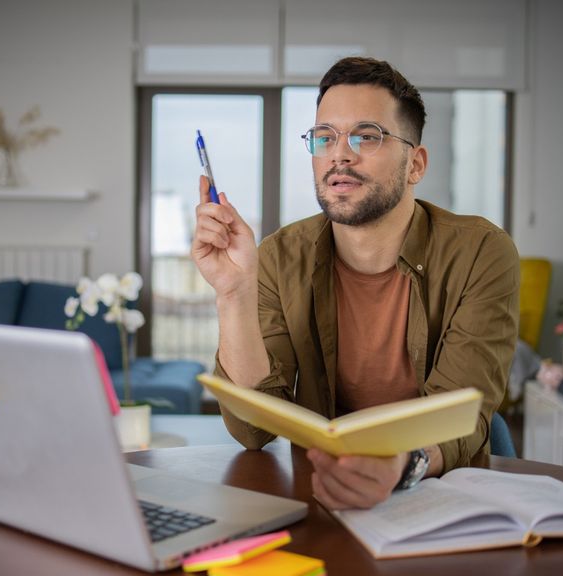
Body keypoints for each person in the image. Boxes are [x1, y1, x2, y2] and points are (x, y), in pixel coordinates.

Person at [191, 56, 519, 510]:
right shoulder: (278, 257)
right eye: (324, 137)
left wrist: (398, 466)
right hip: (325, 492)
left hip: (440, 493)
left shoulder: (481, 251)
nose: (340, 154)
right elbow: (253, 429)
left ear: (415, 165)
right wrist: (233, 294)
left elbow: (464, 414)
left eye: (367, 136)